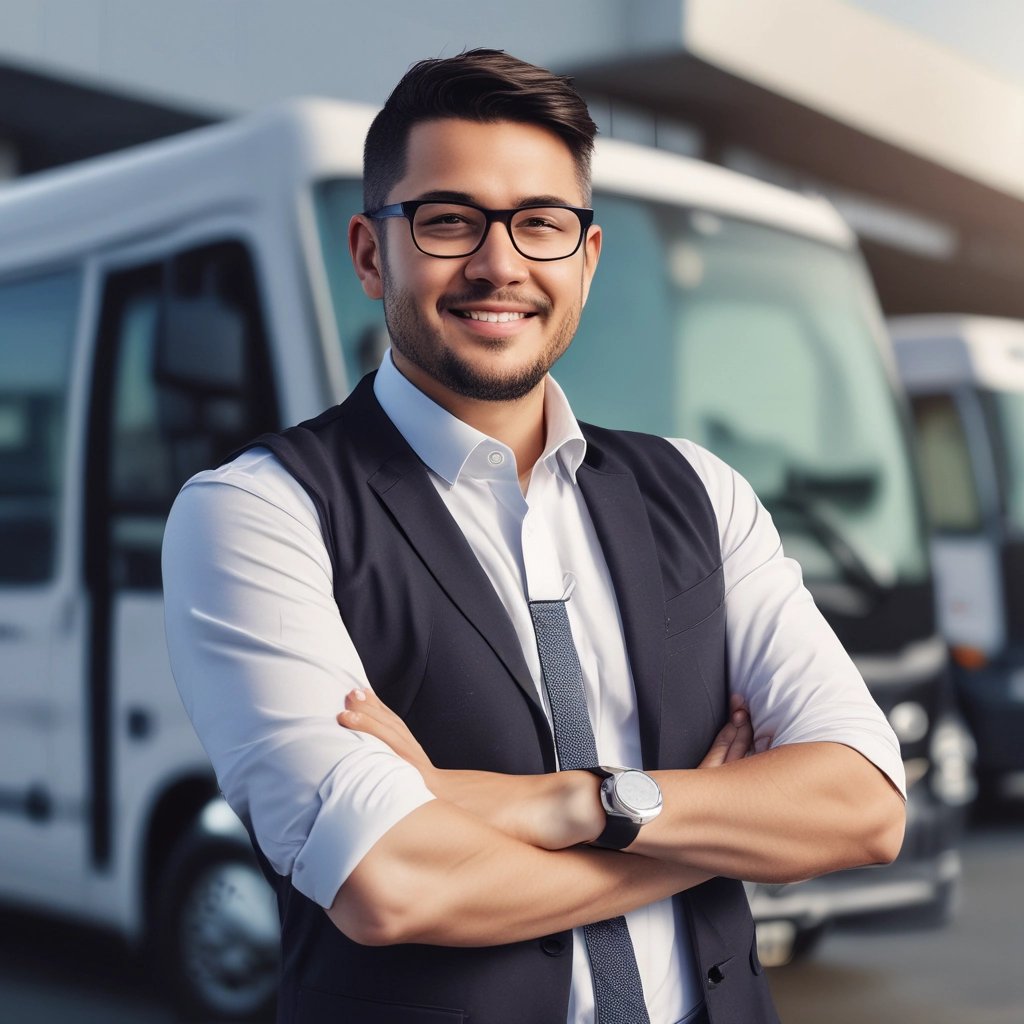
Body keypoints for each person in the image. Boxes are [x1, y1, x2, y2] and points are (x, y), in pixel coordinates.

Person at [162, 48, 906, 1024]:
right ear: (369, 251)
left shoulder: (701, 493)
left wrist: (564, 803)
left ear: (586, 261)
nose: (500, 263)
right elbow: (392, 882)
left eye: (541, 224)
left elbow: (864, 806)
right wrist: (697, 833)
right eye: (447, 220)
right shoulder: (257, 511)